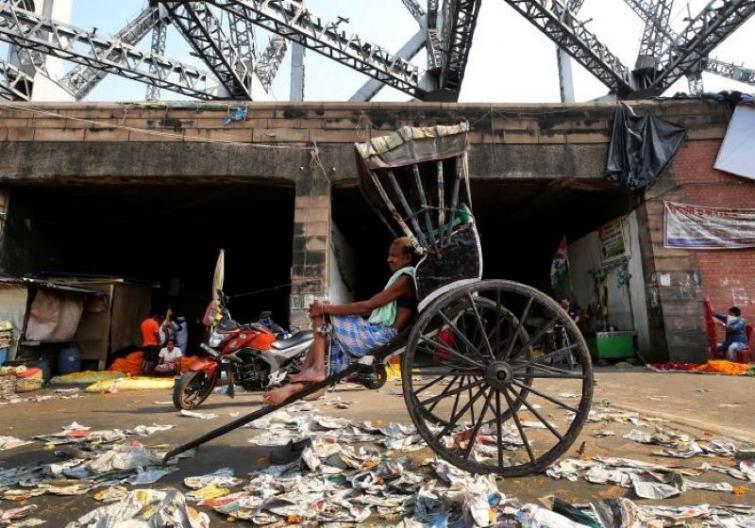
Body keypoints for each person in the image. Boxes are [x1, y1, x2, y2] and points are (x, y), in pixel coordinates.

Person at [264, 237, 418, 404]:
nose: (389, 259)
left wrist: (326, 309)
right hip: (378, 331)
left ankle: (316, 370)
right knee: (324, 337)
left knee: (322, 314)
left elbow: (368, 306)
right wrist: (326, 308)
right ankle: (303, 379)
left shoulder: (406, 279)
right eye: (389, 255)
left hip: (383, 334)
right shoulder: (401, 278)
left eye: (394, 255)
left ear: (408, 258)